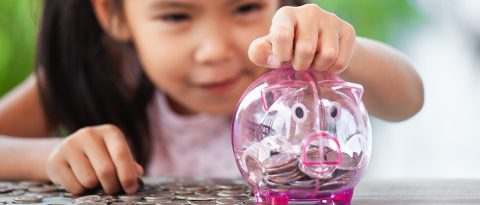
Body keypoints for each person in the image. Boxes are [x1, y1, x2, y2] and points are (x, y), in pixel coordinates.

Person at [0, 0, 424, 195]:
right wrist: (49, 157)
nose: (215, 49)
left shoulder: (298, 73)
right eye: (176, 16)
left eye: (243, 9)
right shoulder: (101, 78)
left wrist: (345, 52)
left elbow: (409, 98)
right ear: (114, 13)